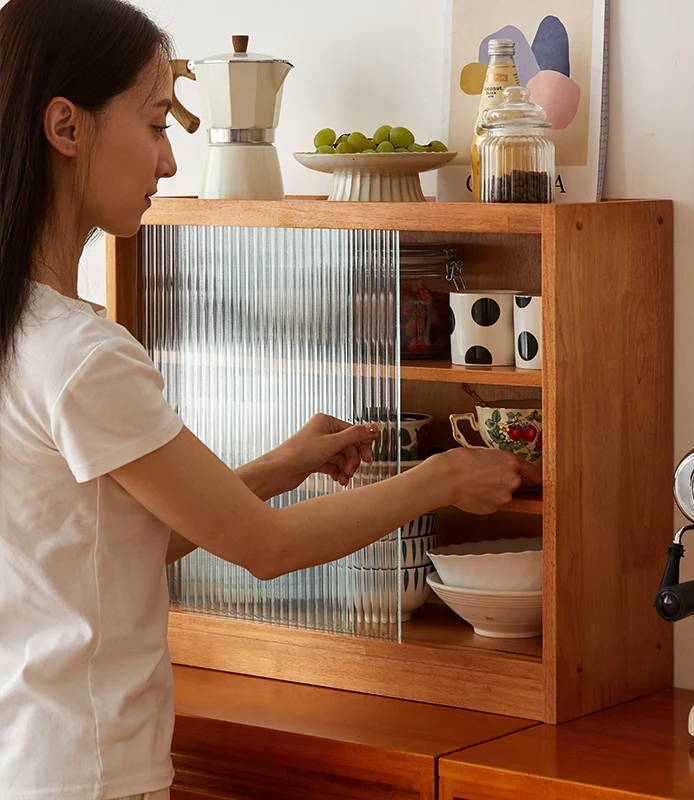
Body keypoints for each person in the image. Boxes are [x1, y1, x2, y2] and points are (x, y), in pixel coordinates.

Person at [0, 0, 541, 798]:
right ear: (66, 127)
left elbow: (111, 548)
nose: (169, 164)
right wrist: (443, 479)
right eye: (155, 127)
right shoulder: (85, 358)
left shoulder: (30, 332)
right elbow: (266, 549)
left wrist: (280, 466)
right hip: (94, 770)